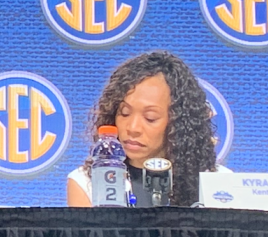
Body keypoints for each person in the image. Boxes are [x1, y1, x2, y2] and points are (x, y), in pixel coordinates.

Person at [67, 51, 225, 207]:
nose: (133, 128)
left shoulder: (217, 183)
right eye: (125, 113)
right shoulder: (87, 182)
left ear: (179, 123)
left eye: (150, 118)